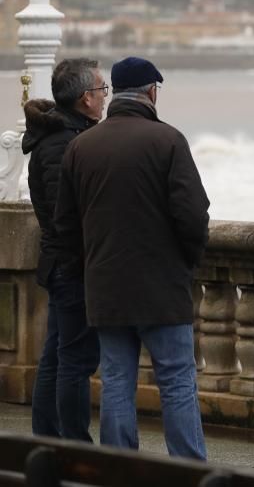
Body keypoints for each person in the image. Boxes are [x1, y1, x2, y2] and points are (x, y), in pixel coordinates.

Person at [55, 56, 210, 459]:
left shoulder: (80, 147)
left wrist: (91, 266)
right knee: (176, 381)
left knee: (117, 379)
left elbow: (65, 226)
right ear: (151, 92)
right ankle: (189, 470)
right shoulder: (168, 141)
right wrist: (186, 262)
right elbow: (193, 215)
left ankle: (117, 468)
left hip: (106, 286)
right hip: (162, 286)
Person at [22, 59, 105, 441]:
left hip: (62, 264)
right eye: (102, 90)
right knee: (72, 360)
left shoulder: (67, 136)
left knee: (57, 356)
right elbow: (64, 216)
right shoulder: (63, 143)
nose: (106, 97)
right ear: (86, 98)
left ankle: (49, 438)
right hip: (71, 266)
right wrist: (82, 262)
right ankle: (73, 443)